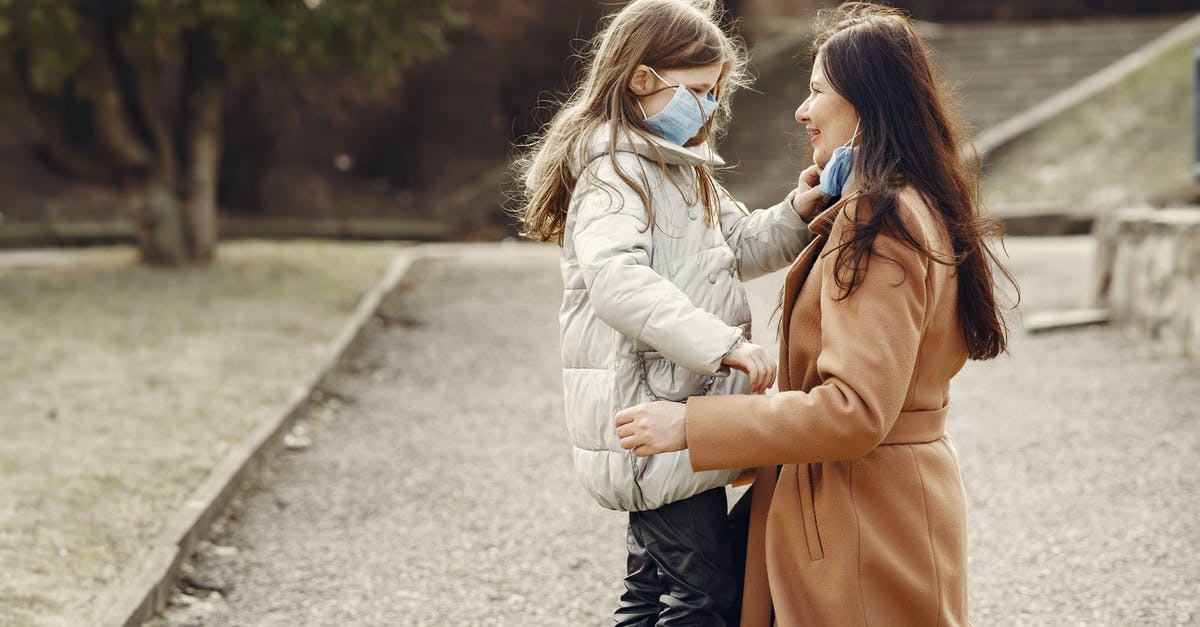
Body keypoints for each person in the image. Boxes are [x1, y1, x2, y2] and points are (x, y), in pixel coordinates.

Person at [615, 3, 1016, 625]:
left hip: (859, 516)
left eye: (818, 91)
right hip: (886, 502)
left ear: (867, 102)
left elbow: (854, 410)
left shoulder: (879, 221)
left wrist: (692, 425)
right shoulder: (917, 201)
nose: (802, 111)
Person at [514, 0, 824, 623]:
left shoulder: (680, 168)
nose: (707, 108)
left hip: (679, 410)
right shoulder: (615, 173)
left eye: (714, 94)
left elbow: (738, 246)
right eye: (696, 92)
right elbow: (616, 280)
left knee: (654, 591)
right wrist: (723, 345)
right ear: (640, 79)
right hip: (653, 413)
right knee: (704, 597)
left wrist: (798, 211)